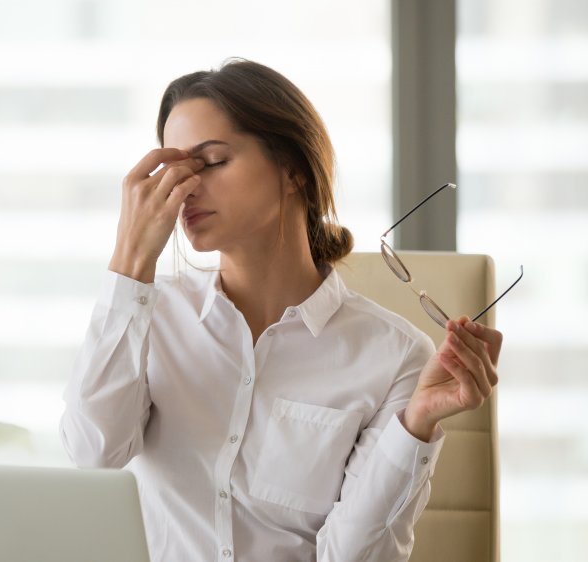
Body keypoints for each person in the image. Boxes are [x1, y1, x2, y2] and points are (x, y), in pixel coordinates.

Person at [60, 58, 503, 562]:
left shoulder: (395, 356)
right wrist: (129, 261)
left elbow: (353, 557)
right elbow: (95, 454)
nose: (184, 190)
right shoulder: (148, 315)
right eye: (174, 170)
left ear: (292, 169)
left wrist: (414, 427)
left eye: (210, 162)